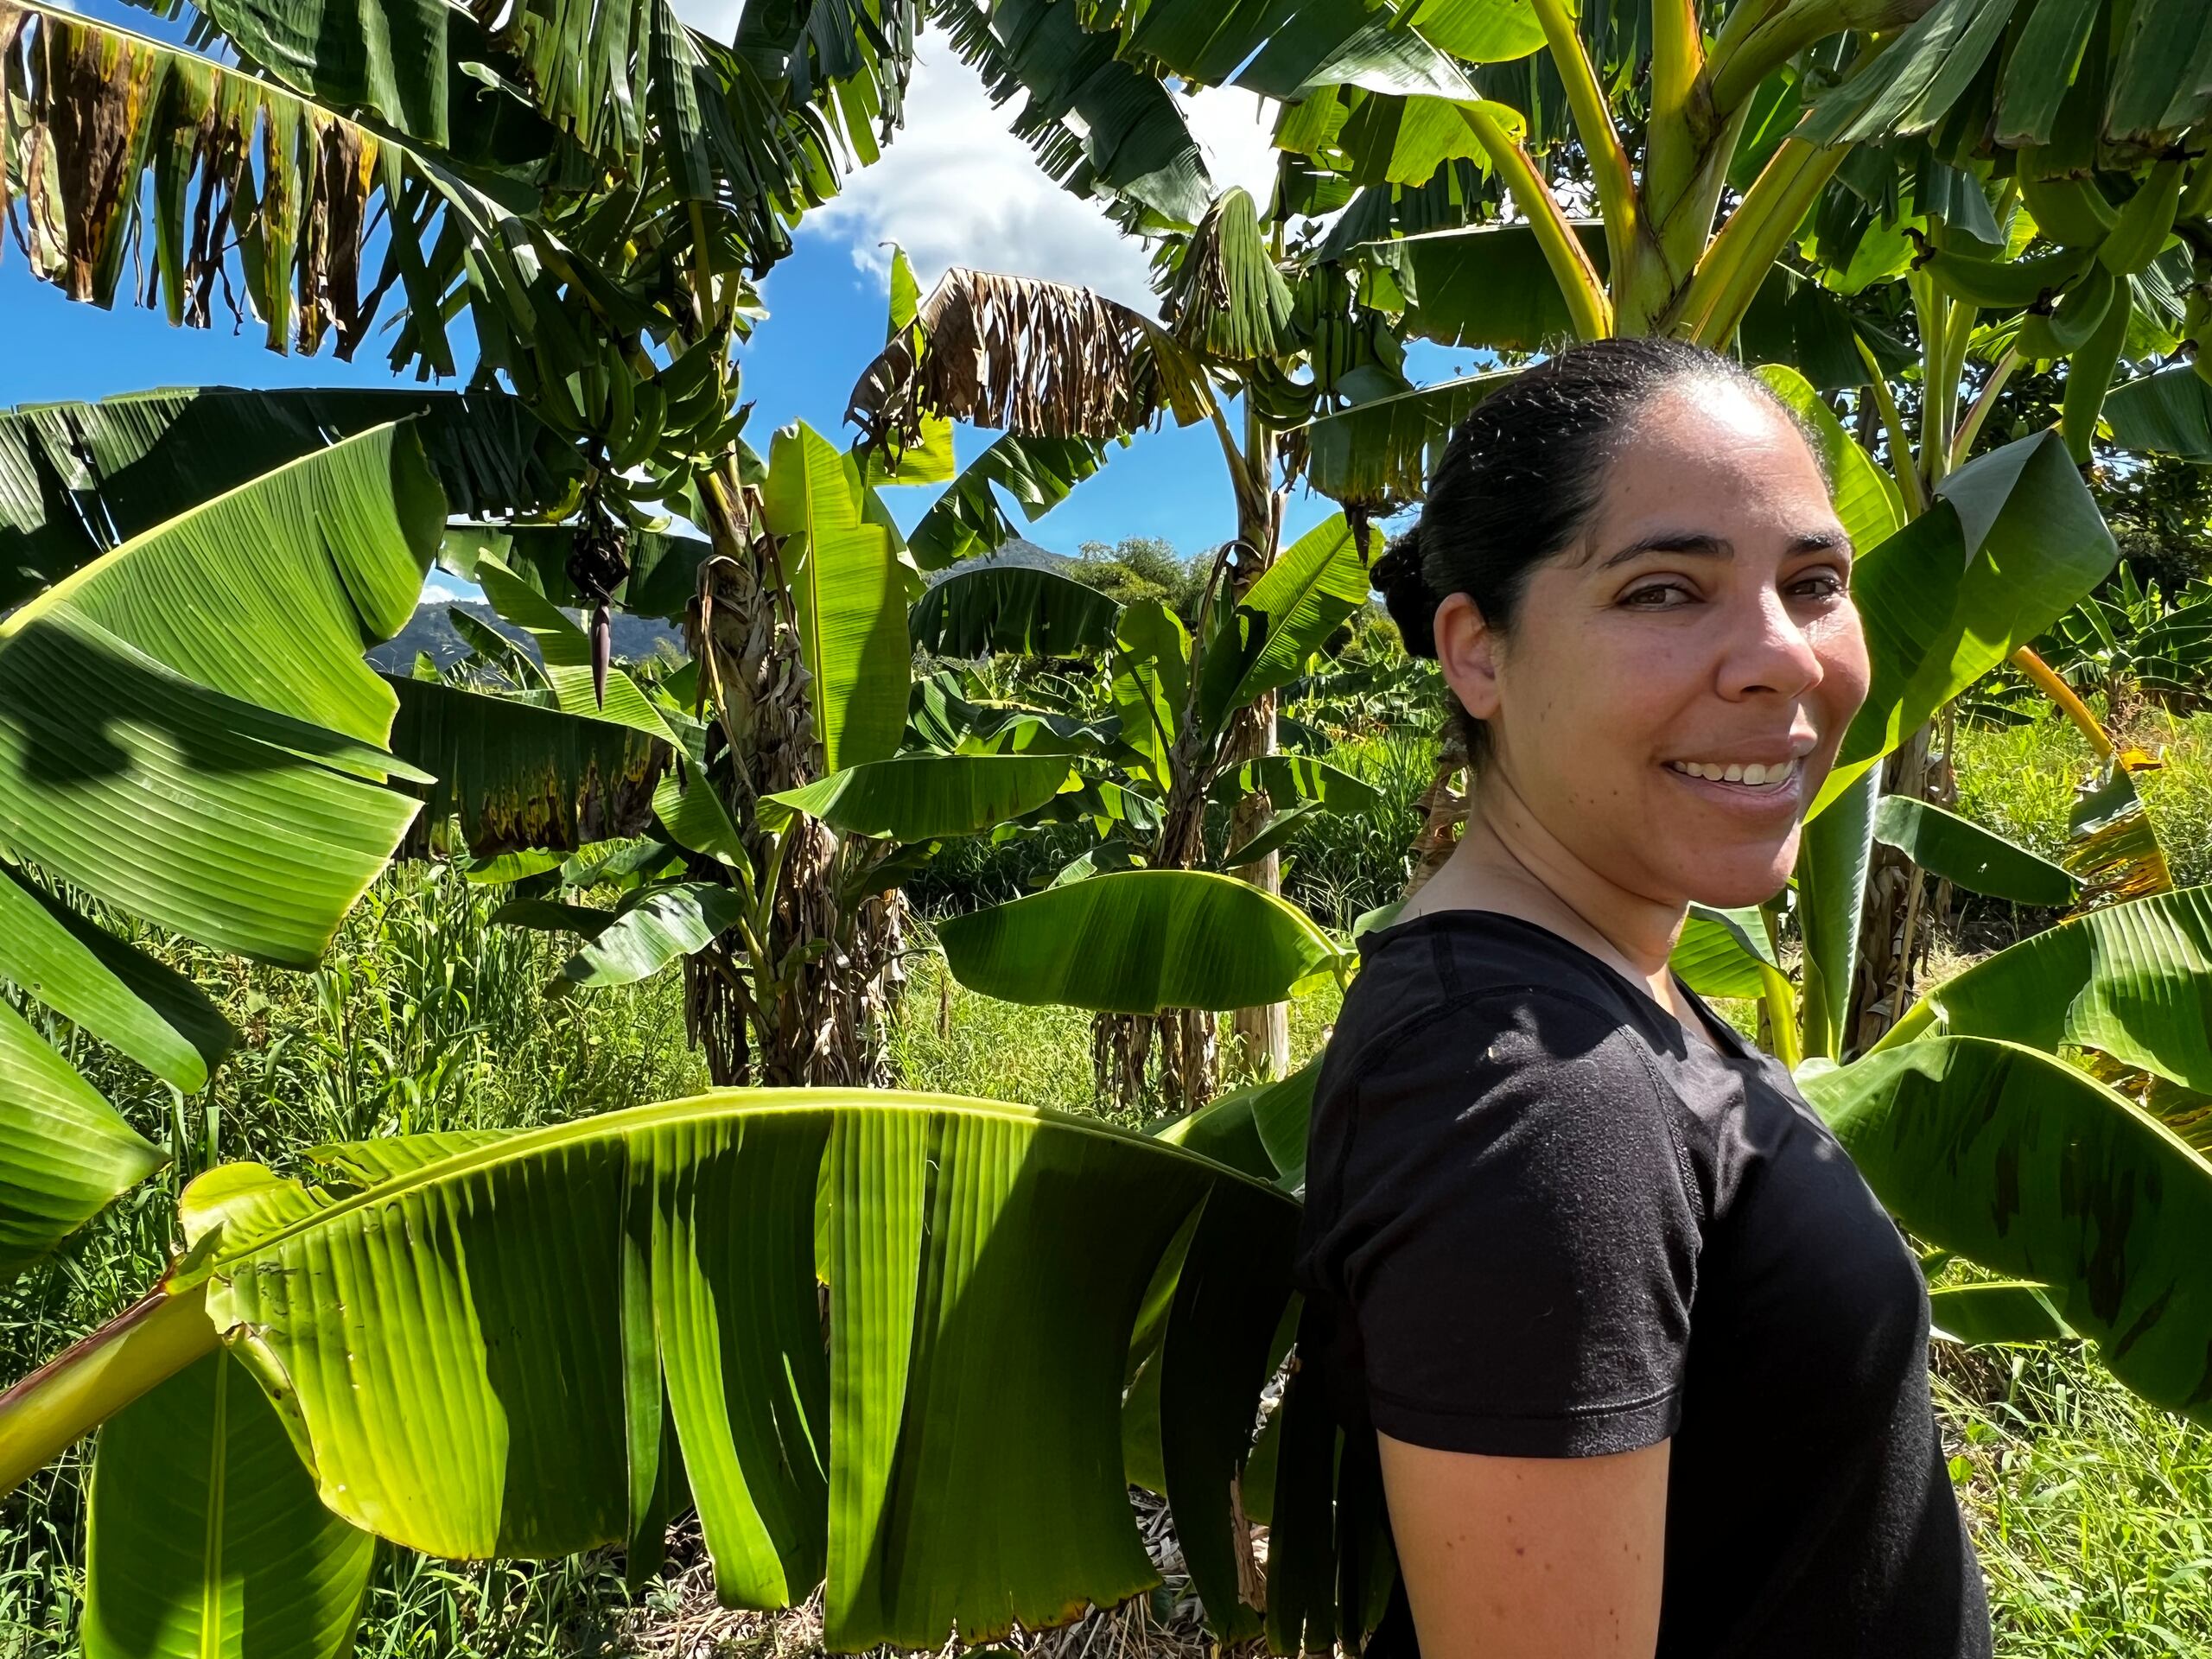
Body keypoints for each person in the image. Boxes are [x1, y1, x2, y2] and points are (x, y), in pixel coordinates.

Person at [1294, 338, 1993, 1658]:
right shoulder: (1529, 1096)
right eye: (1667, 590)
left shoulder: (1598, 979)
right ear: (1478, 654)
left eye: (1816, 584)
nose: (1781, 659)